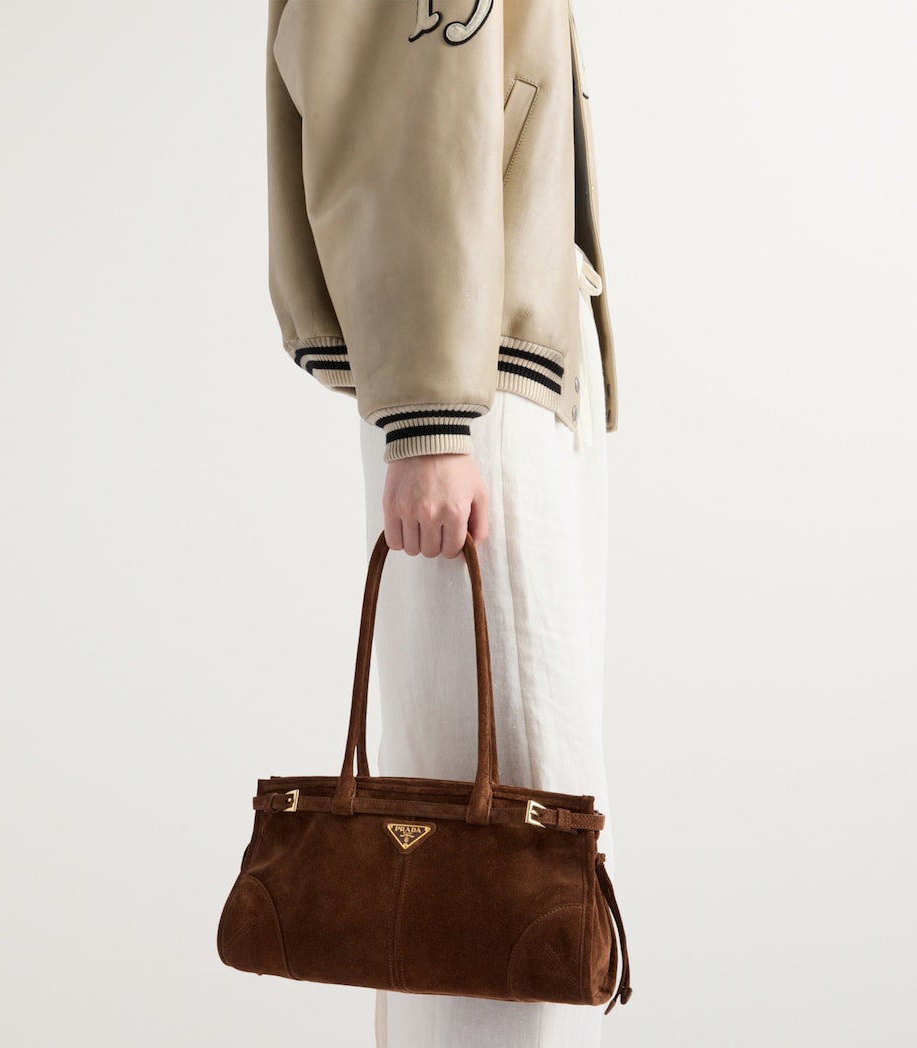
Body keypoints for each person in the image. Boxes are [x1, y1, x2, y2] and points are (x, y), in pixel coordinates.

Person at [265, 2, 621, 1045]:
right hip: (474, 379)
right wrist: (430, 416)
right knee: (504, 848)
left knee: (504, 831)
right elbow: (398, 80)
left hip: (507, 356)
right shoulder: (455, 406)